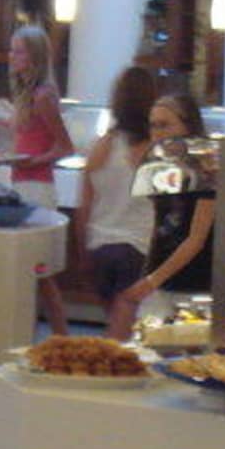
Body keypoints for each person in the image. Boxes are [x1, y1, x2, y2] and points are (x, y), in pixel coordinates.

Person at [118, 92, 216, 322]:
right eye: (153, 126)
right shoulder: (160, 167)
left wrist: (151, 281)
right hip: (161, 280)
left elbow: (196, 239)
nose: (157, 133)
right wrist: (148, 276)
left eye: (164, 125)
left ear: (187, 126)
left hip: (196, 283)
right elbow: (160, 228)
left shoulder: (207, 170)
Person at [76, 66, 157, 341]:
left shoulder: (100, 146)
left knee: (114, 326)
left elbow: (84, 207)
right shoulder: (155, 150)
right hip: (139, 248)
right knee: (122, 340)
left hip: (100, 247)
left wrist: (83, 252)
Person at [7, 25, 74, 336]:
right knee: (31, 271)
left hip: (37, 187)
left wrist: (32, 160)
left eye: (18, 51)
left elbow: (65, 146)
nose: (12, 56)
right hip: (23, 183)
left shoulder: (44, 96)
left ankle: (61, 336)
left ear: (34, 56)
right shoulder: (28, 94)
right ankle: (34, 333)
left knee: (41, 271)